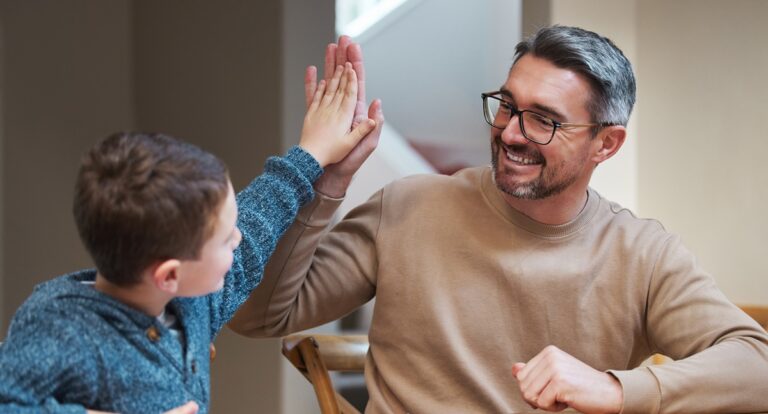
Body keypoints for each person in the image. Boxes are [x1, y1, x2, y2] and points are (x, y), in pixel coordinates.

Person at [229, 27, 768, 413]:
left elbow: (756, 367)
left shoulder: (643, 254)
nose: (510, 132)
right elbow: (255, 317)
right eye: (508, 106)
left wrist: (616, 389)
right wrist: (327, 181)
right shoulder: (406, 206)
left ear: (606, 143)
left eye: (544, 121)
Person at [0, 63, 379, 413]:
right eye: (224, 238)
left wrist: (312, 152)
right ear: (169, 275)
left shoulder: (191, 301)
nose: (238, 238)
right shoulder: (57, 323)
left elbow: (257, 223)